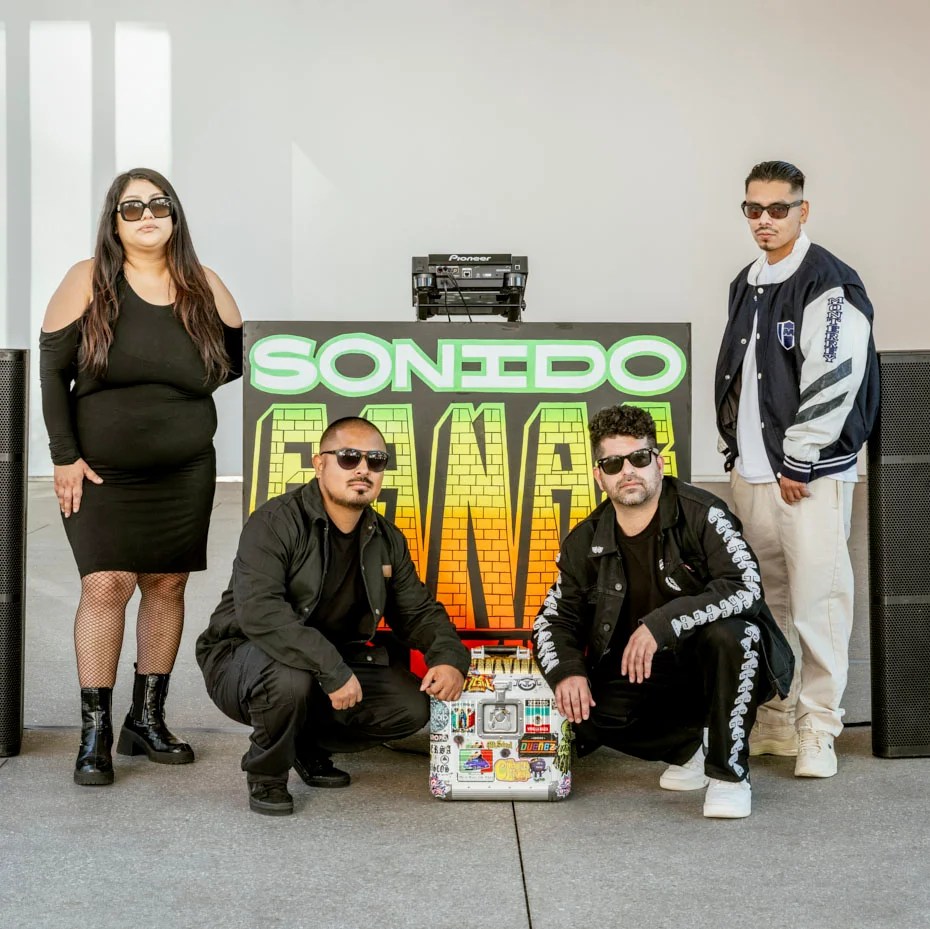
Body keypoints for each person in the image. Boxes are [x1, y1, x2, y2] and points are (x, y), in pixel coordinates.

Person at [39, 168, 243, 786]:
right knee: (106, 584)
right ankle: (94, 733)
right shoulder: (88, 279)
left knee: (166, 584)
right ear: (114, 221)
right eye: (132, 208)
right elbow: (52, 373)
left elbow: (235, 361)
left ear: (175, 215)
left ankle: (146, 720)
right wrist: (64, 455)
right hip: (102, 472)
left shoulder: (204, 284)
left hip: (185, 470)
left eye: (159, 204)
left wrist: (174, 404)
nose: (147, 215)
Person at [196, 416, 471, 816]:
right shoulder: (275, 522)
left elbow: (419, 612)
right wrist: (332, 669)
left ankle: (304, 745)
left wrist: (448, 658)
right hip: (243, 657)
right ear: (319, 463)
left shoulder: (386, 538)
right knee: (291, 678)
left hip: (329, 663)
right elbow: (261, 612)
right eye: (348, 457)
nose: (363, 469)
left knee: (411, 705)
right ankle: (267, 772)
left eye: (375, 460)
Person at [532, 405, 793, 818]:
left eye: (639, 458)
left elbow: (746, 587)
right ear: (599, 476)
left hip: (716, 666)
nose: (628, 471)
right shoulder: (585, 541)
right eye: (613, 464)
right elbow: (553, 620)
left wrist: (663, 623)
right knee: (576, 707)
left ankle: (729, 774)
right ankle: (689, 749)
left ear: (659, 462)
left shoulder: (704, 513)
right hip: (647, 674)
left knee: (734, 632)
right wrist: (567, 671)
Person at [715, 160, 879, 778]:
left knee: (819, 600)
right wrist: (741, 455)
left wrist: (801, 458)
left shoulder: (829, 282)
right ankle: (778, 719)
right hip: (753, 473)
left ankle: (819, 728)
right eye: (753, 209)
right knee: (769, 600)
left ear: (802, 210)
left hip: (806, 474)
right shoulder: (747, 280)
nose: (765, 219)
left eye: (778, 208)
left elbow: (836, 376)